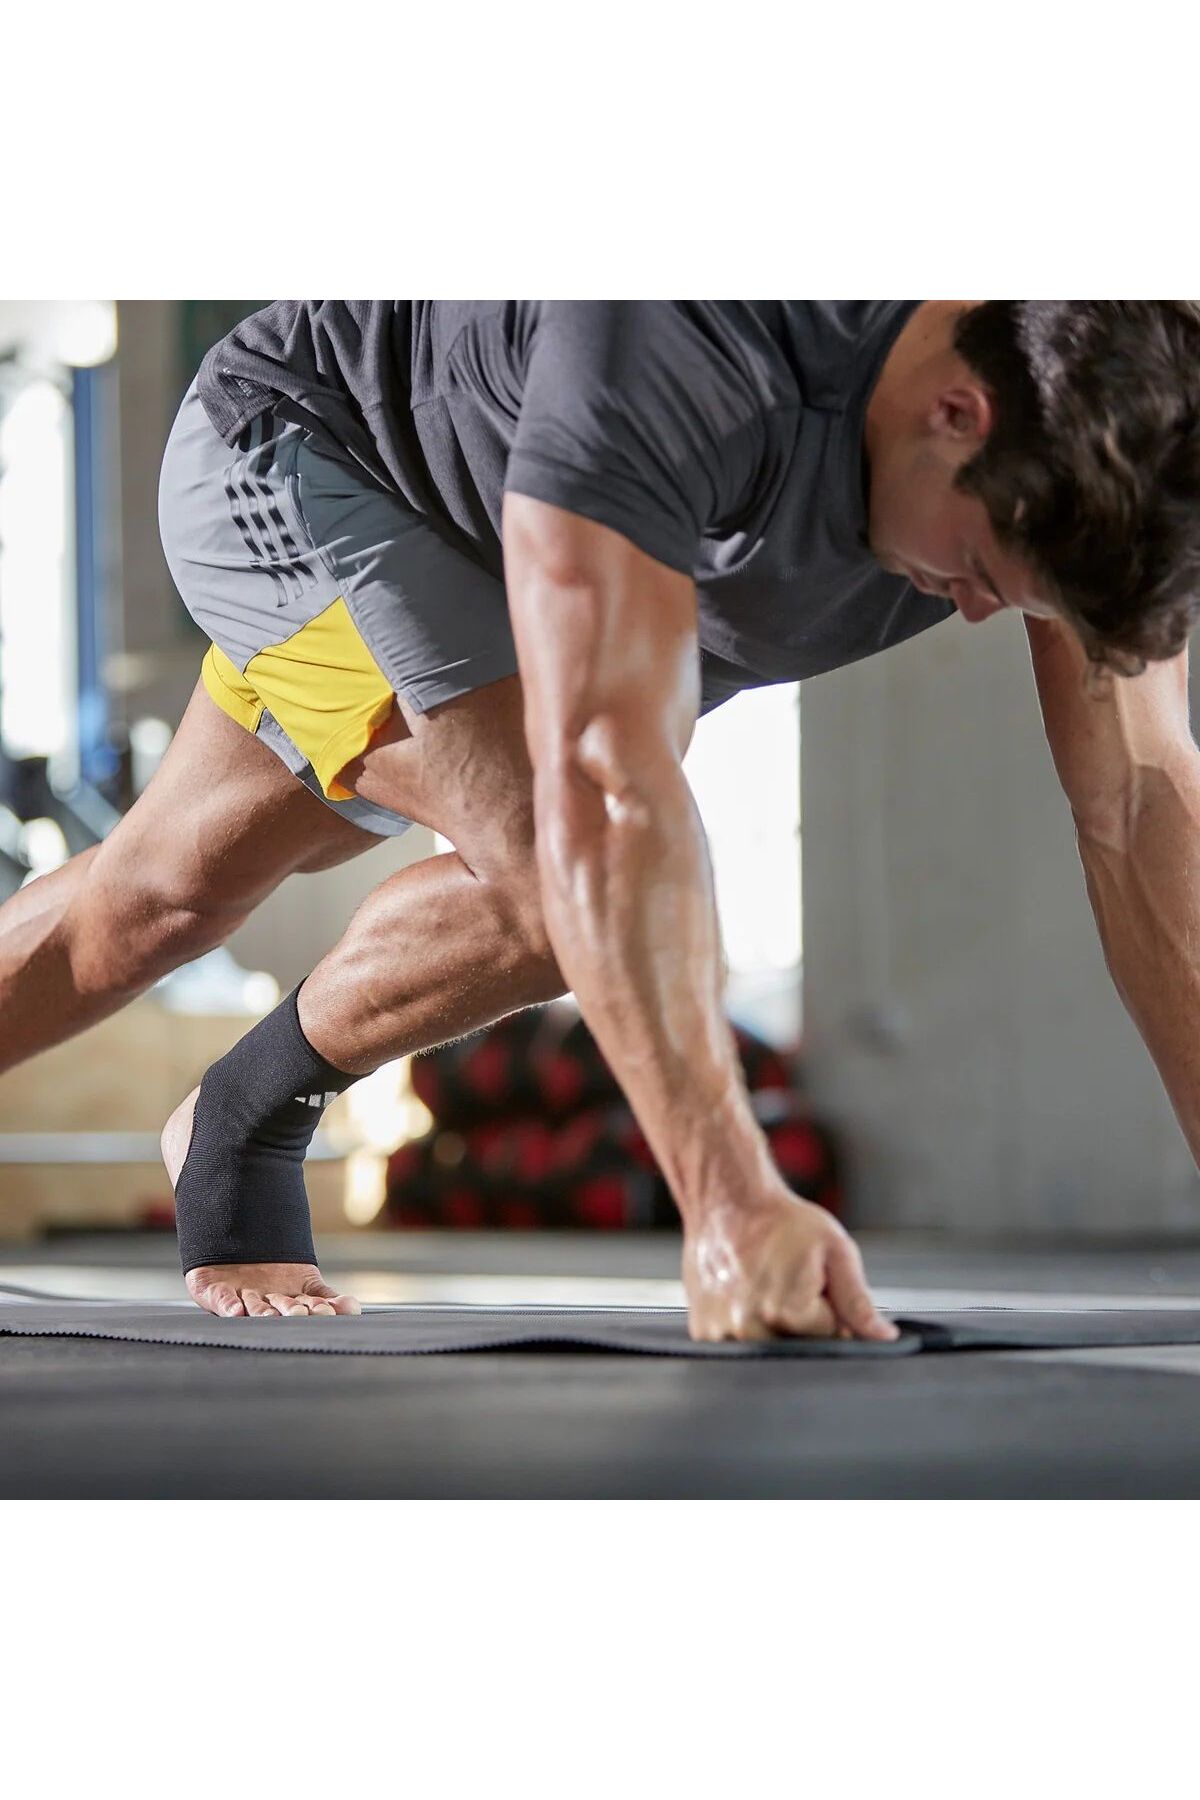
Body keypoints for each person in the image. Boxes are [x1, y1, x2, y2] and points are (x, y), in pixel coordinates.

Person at [3, 301, 1198, 1339]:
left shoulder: (1099, 414)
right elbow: (604, 787)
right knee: (558, 877)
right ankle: (248, 1115)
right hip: (324, 460)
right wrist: (730, 1201)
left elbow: (1142, 804)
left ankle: (231, 1111)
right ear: (957, 413)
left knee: (157, 898)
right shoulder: (692, 335)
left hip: (523, 568)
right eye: (983, 567)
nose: (981, 611)